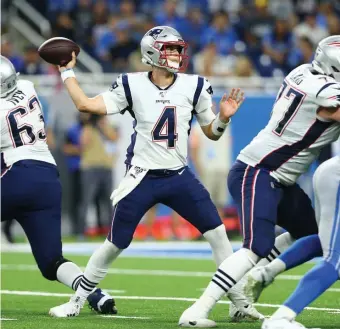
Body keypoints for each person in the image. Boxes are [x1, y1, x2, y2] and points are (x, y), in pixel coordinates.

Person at [47, 25, 258, 319]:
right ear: (151, 51)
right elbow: (86, 104)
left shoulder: (195, 85)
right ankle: (77, 301)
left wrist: (222, 118)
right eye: (169, 48)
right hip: (142, 176)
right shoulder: (131, 84)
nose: (176, 54)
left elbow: (212, 133)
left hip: (179, 175)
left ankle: (240, 305)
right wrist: (67, 72)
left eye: (177, 49)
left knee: (219, 234)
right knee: (114, 244)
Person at [179, 35, 340, 327]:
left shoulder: (302, 72)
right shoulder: (324, 89)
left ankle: (259, 277)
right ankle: (197, 310)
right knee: (255, 246)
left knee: (317, 236)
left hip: (278, 177)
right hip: (259, 171)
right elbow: (332, 109)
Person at [0, 55, 117, 315]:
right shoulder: (28, 87)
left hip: (18, 174)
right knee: (51, 261)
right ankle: (95, 294)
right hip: (48, 178)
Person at [262, 156, 340, 329]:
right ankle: (280, 318)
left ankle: (267, 272)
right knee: (336, 257)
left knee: (326, 241)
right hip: (336, 175)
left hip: (330, 171)